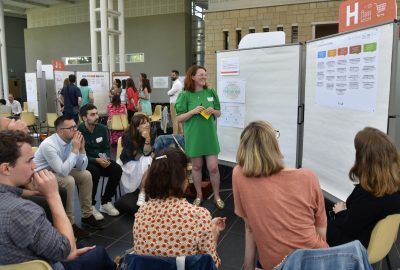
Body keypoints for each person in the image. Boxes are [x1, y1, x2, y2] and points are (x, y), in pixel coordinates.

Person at [0, 130, 116, 270]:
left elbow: (81, 166)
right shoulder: (23, 211)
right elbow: (67, 252)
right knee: (98, 252)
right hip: (47, 263)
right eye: (29, 160)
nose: (34, 166)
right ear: (6, 168)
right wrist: (53, 195)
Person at [233, 121, 328, 270]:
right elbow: (321, 231)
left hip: (274, 264)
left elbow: (250, 226)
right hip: (315, 259)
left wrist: (248, 267)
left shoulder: (239, 174)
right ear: (273, 144)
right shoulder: (308, 177)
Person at [133, 148, 226, 267]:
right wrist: (214, 233)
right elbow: (212, 264)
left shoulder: (142, 212)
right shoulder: (198, 216)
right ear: (182, 178)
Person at [327, 127, 400, 248]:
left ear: (365, 160)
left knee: (314, 224)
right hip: (373, 243)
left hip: (352, 247)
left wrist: (340, 213)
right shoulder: (394, 187)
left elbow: (349, 227)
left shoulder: (368, 194)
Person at [34, 115, 103, 239]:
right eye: (71, 128)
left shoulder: (72, 140)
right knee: (69, 180)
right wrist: (75, 149)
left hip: (57, 171)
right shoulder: (48, 145)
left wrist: (81, 150)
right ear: (60, 131)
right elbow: (64, 172)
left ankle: (87, 215)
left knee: (86, 175)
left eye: (75, 126)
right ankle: (70, 223)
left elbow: (82, 167)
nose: (75, 130)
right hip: (41, 176)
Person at [175, 65, 224, 209]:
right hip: (194, 137)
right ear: (193, 77)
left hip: (209, 136)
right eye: (201, 74)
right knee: (196, 167)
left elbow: (219, 113)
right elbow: (179, 118)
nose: (204, 77)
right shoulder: (185, 95)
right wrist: (193, 111)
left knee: (213, 168)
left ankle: (217, 196)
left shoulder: (211, 92)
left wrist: (213, 111)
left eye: (205, 74)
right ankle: (198, 195)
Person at [78, 104, 121, 221]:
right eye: (92, 114)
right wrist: (96, 160)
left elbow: (106, 147)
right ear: (84, 118)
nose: (96, 116)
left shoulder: (102, 128)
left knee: (116, 169)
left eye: (96, 113)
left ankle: (106, 202)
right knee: (94, 172)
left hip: (101, 159)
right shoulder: (78, 131)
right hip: (86, 161)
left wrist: (106, 158)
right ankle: (90, 205)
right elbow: (79, 154)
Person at [117, 114, 153, 206]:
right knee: (148, 160)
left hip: (142, 160)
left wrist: (147, 139)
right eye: (143, 123)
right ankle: (143, 192)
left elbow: (147, 153)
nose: (147, 124)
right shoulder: (128, 136)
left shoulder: (151, 132)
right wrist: (146, 148)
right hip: (128, 162)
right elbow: (133, 156)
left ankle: (142, 192)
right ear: (137, 127)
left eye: (147, 122)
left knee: (148, 160)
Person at [167, 70, 183, 135]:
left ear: (177, 75)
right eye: (171, 75)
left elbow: (169, 93)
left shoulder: (177, 84)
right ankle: (181, 133)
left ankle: (175, 135)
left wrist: (169, 93)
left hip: (174, 103)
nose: (172, 76)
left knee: (174, 120)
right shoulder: (176, 83)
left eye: (173, 75)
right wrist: (170, 93)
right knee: (178, 119)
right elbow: (171, 93)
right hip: (176, 103)